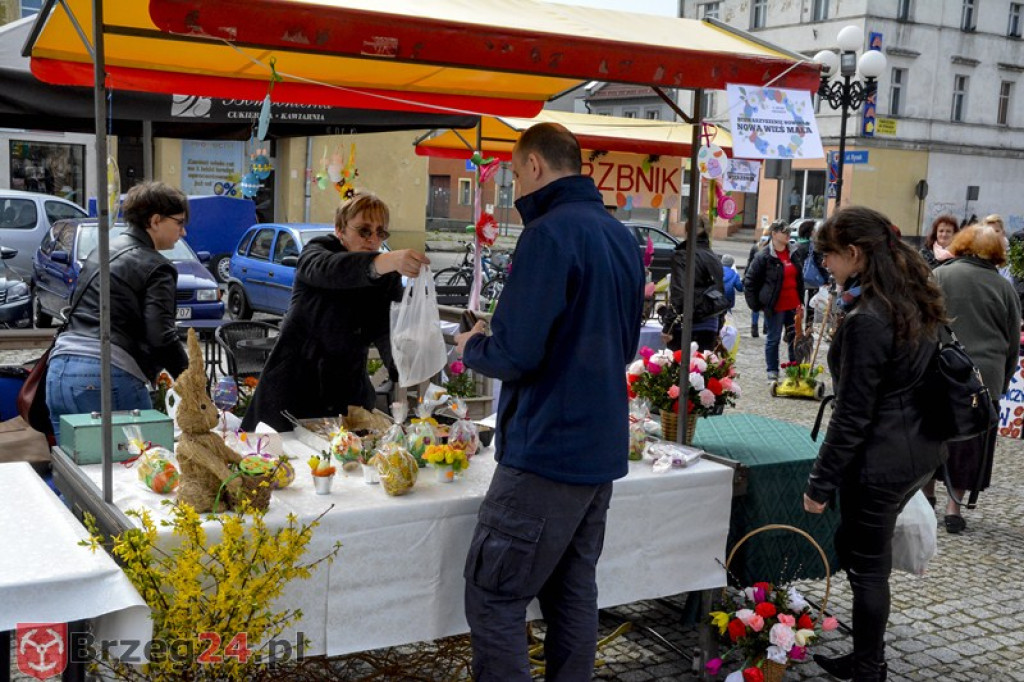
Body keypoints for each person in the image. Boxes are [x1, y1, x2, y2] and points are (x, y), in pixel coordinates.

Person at [454, 122, 644, 681]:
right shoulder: (619, 235)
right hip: (596, 449)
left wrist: (473, 346)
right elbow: (624, 342)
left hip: (546, 451)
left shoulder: (548, 234)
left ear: (534, 166)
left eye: (513, 174)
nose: (514, 188)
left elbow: (517, 354)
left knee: (494, 597)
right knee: (572, 594)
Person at [804, 207, 948, 682]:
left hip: (883, 457)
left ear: (854, 253)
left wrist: (820, 483)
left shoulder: (871, 316)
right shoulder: (910, 297)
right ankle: (867, 656)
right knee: (867, 557)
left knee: (867, 567)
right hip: (917, 449)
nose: (824, 262)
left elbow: (852, 414)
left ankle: (869, 666)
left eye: (828, 254)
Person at [241, 192, 427, 432]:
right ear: (340, 230)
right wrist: (385, 261)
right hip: (290, 393)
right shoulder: (316, 252)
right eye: (364, 230)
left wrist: (403, 366)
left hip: (347, 395)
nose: (373, 239)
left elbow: (387, 329)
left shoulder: (385, 280)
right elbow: (331, 270)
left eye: (380, 233)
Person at [46, 182, 191, 438]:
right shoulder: (159, 266)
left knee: (76, 469)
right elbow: (162, 336)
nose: (183, 232)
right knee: (143, 467)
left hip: (59, 371)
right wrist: (192, 381)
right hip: (107, 373)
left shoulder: (100, 251)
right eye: (179, 223)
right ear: (156, 220)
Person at [923, 224, 1021, 533]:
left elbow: (921, 324)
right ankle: (955, 508)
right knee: (971, 442)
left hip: (942, 368)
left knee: (933, 432)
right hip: (984, 376)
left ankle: (927, 495)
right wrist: (1002, 383)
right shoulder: (1003, 287)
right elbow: (1011, 341)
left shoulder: (939, 276)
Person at [743, 219, 804, 381]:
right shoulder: (764, 256)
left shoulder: (794, 252)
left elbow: (799, 279)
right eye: (784, 232)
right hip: (775, 305)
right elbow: (749, 281)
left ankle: (795, 370)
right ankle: (772, 370)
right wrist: (756, 305)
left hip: (793, 304)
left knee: (795, 338)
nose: (788, 235)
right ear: (774, 233)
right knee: (774, 338)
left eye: (789, 232)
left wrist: (801, 302)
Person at [661, 215, 726, 351]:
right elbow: (720, 293)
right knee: (703, 369)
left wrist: (668, 326)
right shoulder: (713, 257)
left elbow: (679, 295)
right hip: (710, 323)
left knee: (682, 369)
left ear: (686, 232)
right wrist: (719, 324)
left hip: (689, 324)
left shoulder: (683, 256)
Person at [793, 219, 827, 326]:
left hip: (798, 278)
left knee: (798, 303)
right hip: (812, 278)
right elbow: (820, 264)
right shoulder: (814, 246)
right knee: (811, 305)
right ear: (810, 232)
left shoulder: (796, 245)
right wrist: (825, 279)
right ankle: (809, 327)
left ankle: (795, 326)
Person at [747, 226, 770, 338]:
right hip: (766, 280)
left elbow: (749, 263)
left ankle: (754, 328)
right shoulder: (771, 248)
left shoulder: (755, 246)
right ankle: (766, 327)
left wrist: (746, 277)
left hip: (755, 279)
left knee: (755, 306)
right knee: (766, 305)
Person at [983, 214, 1014, 281]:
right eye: (990, 231)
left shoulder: (1012, 255)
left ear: (1003, 232)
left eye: (997, 231)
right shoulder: (980, 255)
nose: (993, 234)